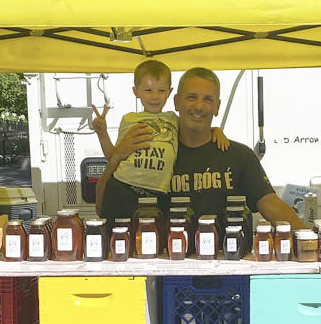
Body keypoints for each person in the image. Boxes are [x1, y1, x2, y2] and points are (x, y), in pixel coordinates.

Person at [96, 67, 304, 229]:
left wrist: (308, 236)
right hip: (166, 265)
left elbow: (269, 203)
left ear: (217, 107)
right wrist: (115, 158)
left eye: (208, 99)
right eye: (191, 97)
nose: (199, 106)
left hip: (226, 264)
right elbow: (102, 208)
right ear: (176, 102)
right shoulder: (155, 150)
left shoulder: (238, 156)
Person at [91, 59, 228, 213]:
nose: (155, 97)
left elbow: (196, 128)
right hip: (124, 185)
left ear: (169, 92)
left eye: (161, 91)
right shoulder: (129, 119)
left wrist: (216, 131)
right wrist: (102, 134)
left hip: (158, 193)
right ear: (136, 92)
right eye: (148, 90)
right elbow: (113, 156)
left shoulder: (173, 119)